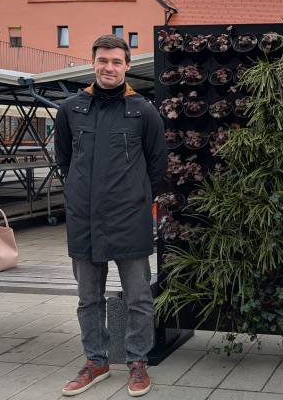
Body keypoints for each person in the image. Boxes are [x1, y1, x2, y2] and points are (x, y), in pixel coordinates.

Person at [55, 35, 166, 397]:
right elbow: (64, 161)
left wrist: (135, 197)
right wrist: (79, 193)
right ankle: (96, 361)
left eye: (116, 62)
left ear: (127, 66)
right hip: (84, 220)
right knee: (88, 298)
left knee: (138, 297)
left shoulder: (143, 110)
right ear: (93, 62)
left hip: (129, 219)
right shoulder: (71, 109)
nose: (109, 67)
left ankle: (137, 361)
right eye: (103, 60)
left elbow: (157, 165)